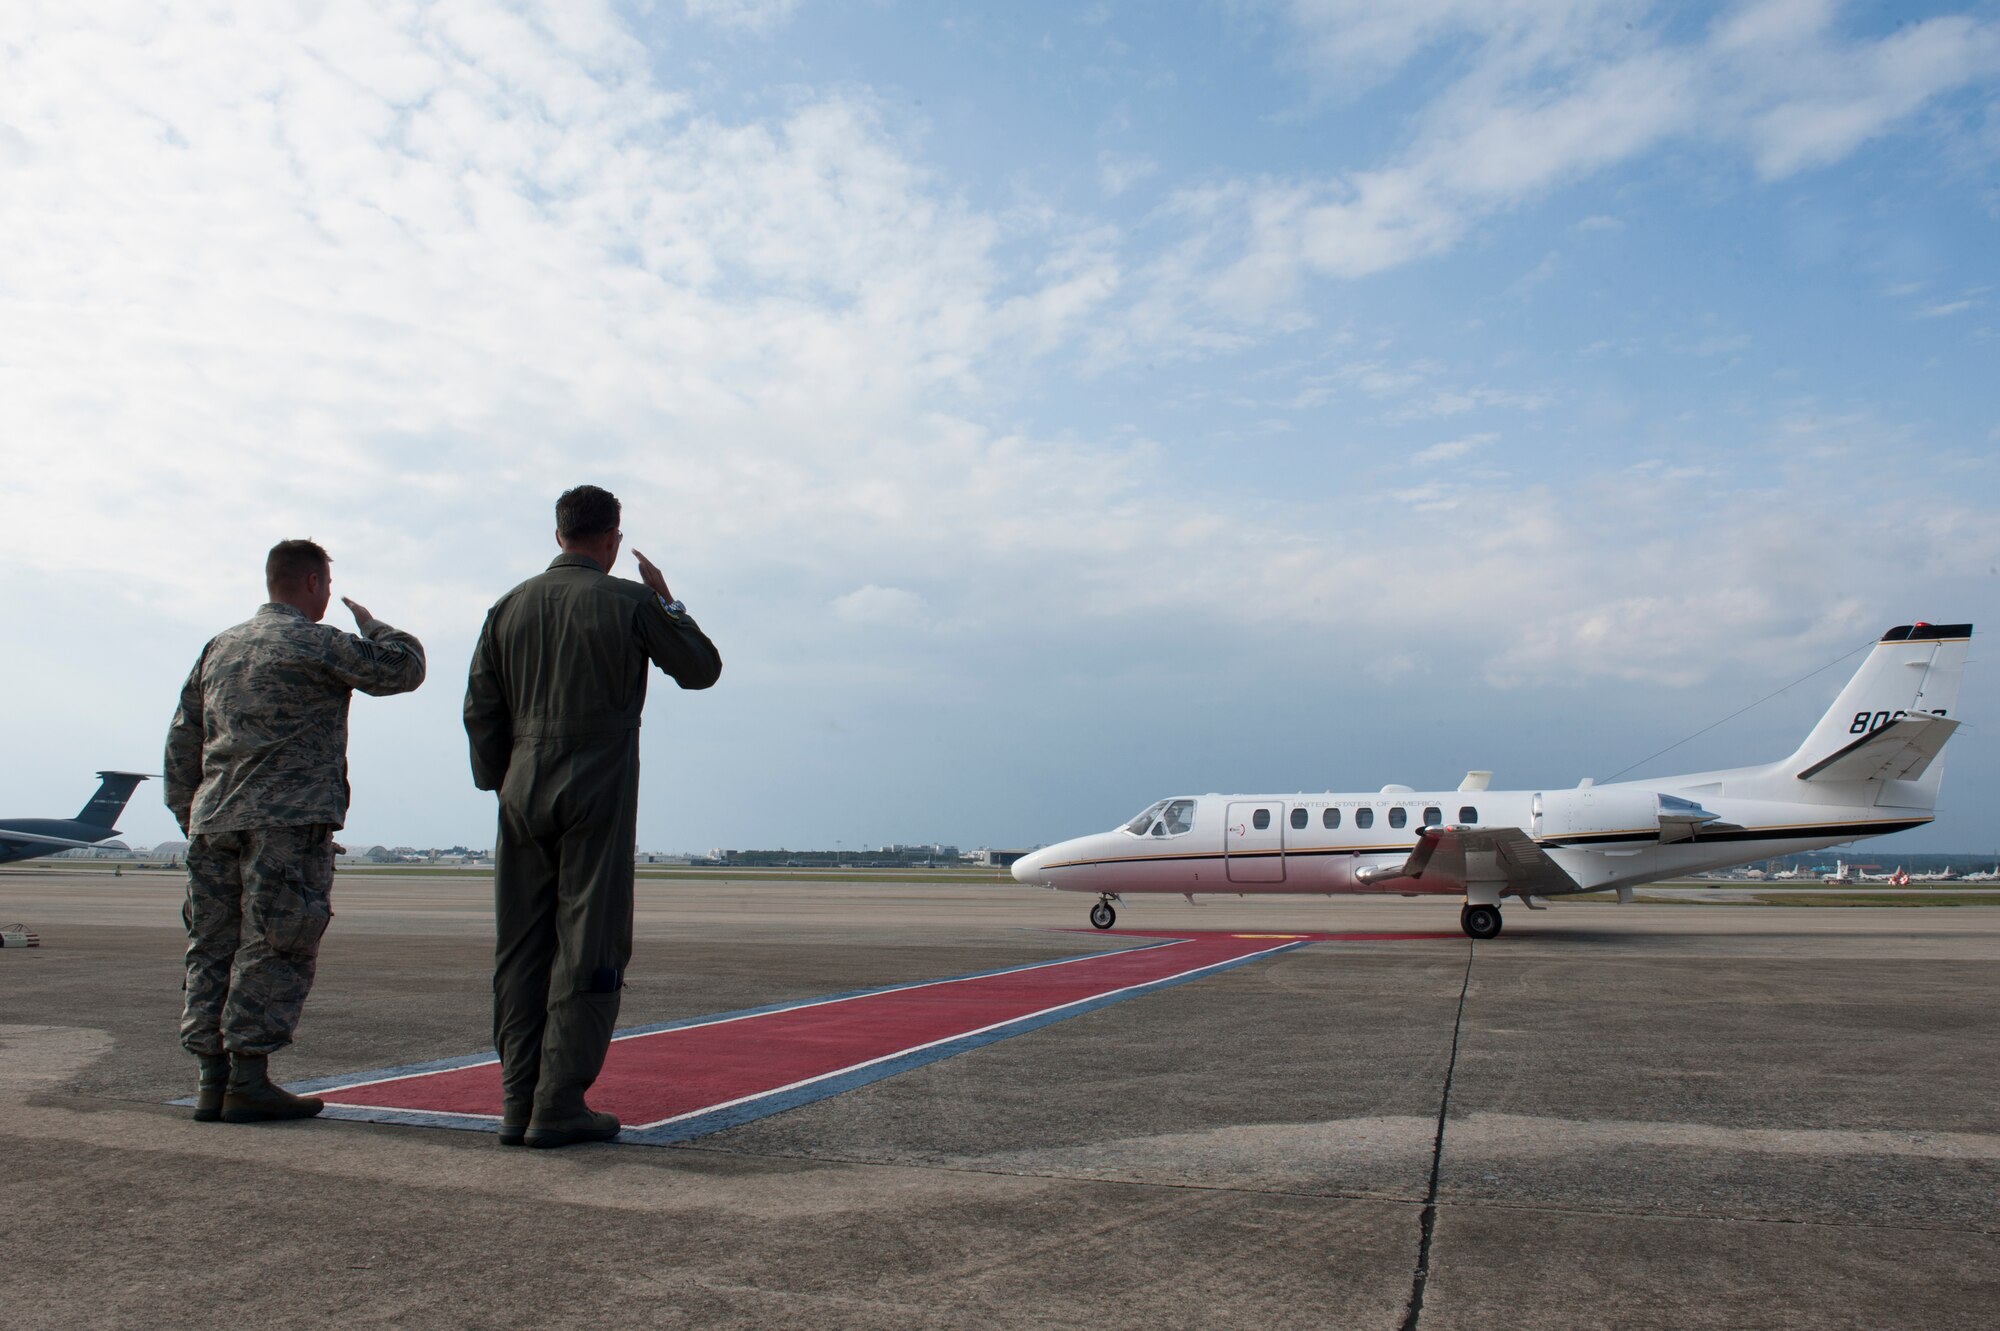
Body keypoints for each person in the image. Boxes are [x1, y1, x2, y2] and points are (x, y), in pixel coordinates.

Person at [464, 485, 721, 1148]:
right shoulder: (630, 601)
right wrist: (668, 602)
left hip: (521, 789)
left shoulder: (507, 607)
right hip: (597, 786)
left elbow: (480, 708)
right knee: (591, 943)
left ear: (559, 537)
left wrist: (502, 778)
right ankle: (558, 1099)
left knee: (520, 946)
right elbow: (700, 669)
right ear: (612, 538)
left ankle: (517, 1100)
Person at [165, 539, 427, 1123]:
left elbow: (184, 739)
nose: (329, 598)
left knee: (210, 948)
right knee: (276, 945)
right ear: (312, 584)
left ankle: (213, 1080)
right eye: (328, 588)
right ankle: (249, 1080)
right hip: (285, 824)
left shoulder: (220, 648)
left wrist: (193, 813)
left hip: (214, 821)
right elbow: (404, 670)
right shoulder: (316, 642)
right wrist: (376, 625)